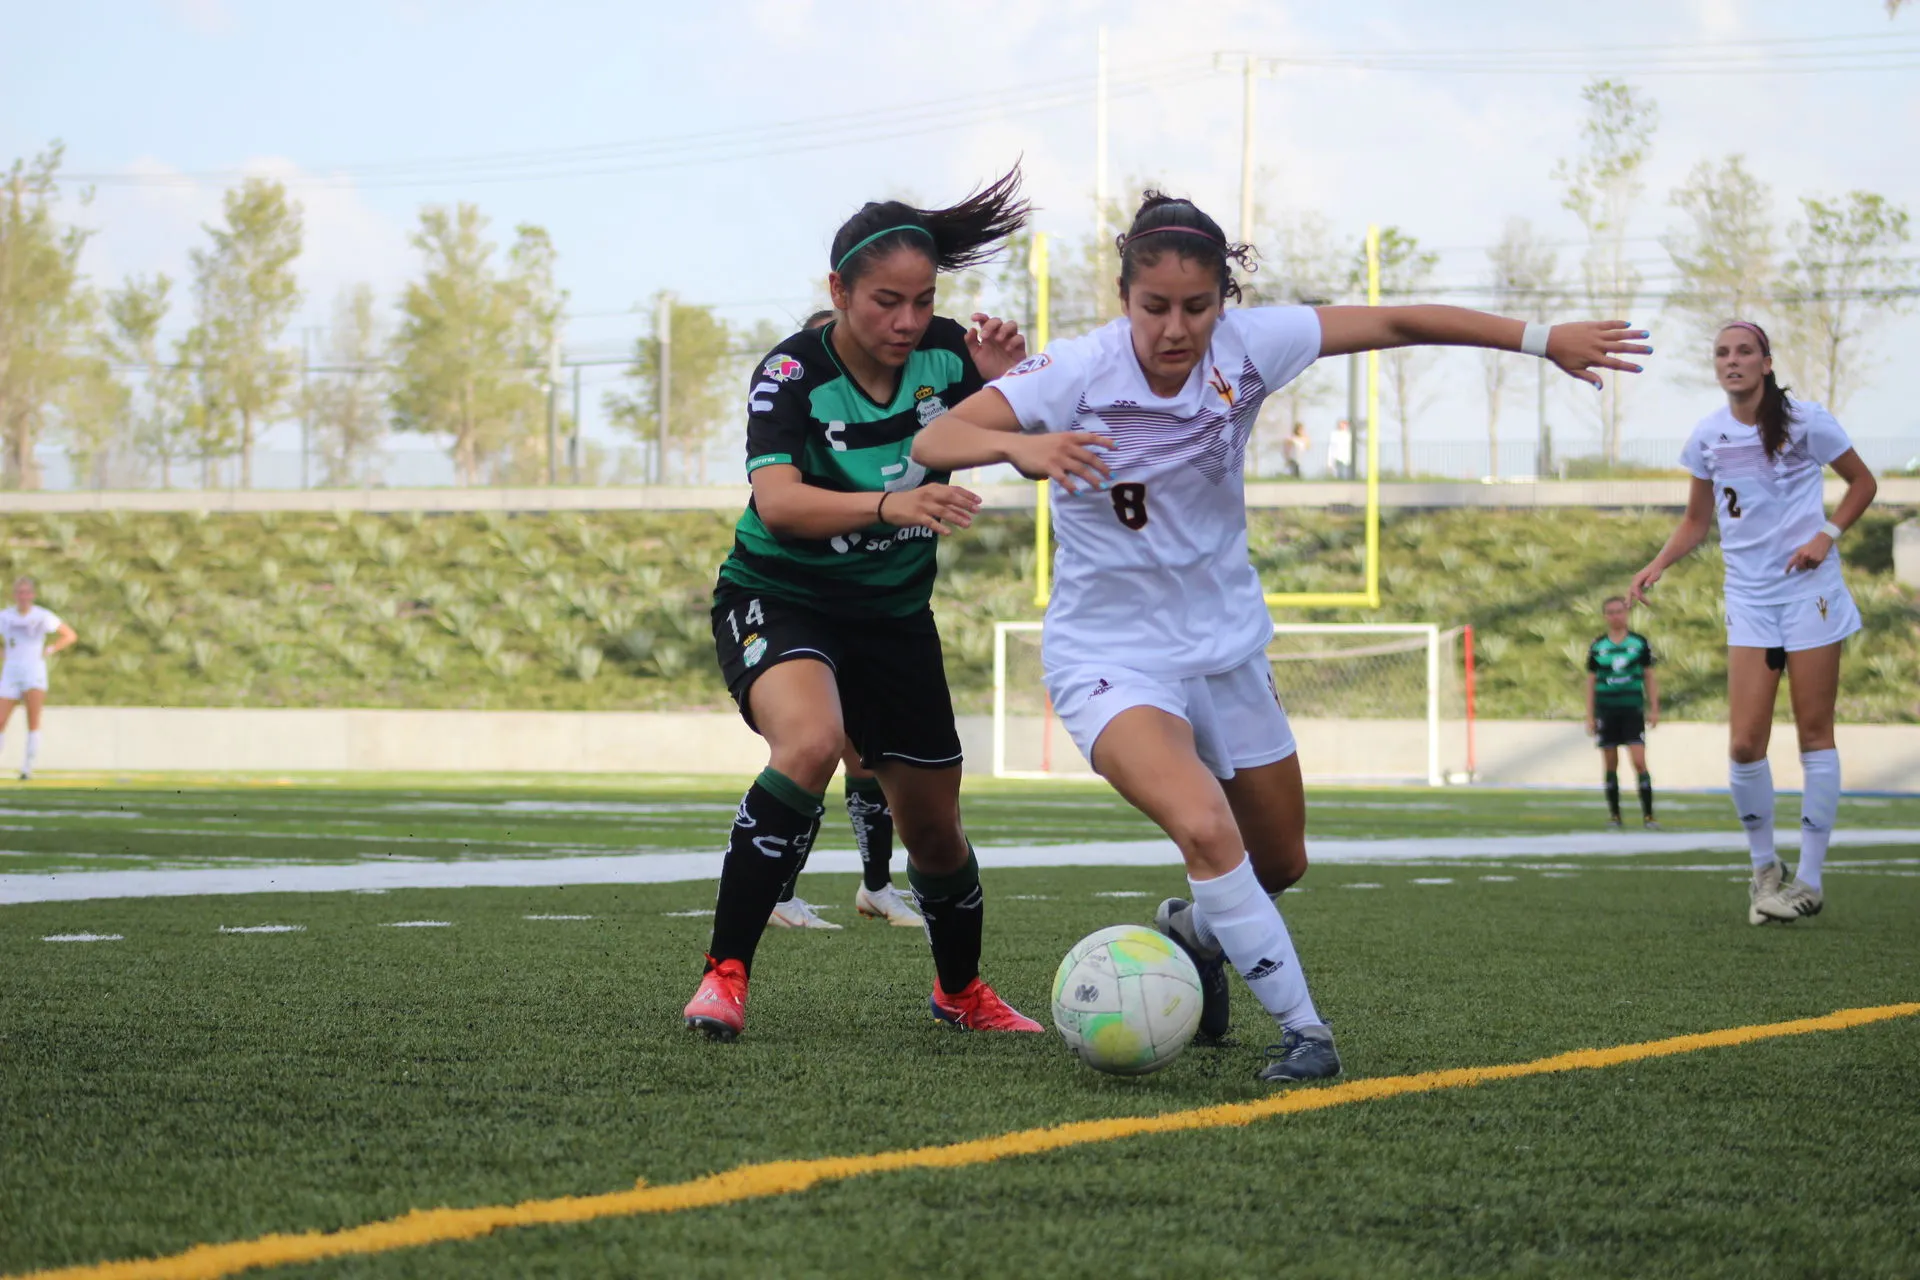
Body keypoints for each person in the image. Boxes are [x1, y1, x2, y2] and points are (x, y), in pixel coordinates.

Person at [913, 191, 1647, 1082]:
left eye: (1196, 306)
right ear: (1122, 297)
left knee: (1280, 861)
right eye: (1154, 308)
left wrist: (1540, 339)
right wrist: (1022, 448)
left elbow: (1397, 319)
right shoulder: (1076, 370)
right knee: (1205, 827)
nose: (1175, 328)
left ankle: (1190, 932)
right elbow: (939, 436)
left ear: (1224, 301)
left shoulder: (1253, 347)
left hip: (1226, 650)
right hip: (1110, 657)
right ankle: (1306, 1033)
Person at [684, 168, 1042, 1041]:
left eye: (923, 301)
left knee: (936, 833)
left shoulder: (952, 354)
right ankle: (723, 975)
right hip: (781, 595)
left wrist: (1015, 384)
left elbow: (1031, 456)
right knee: (807, 744)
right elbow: (779, 503)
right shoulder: (790, 374)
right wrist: (892, 504)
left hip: (892, 619)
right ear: (838, 291)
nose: (907, 321)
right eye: (887, 301)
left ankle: (961, 992)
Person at [1630, 320, 1877, 926]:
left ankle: (1810, 882)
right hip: (1749, 600)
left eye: (1744, 351)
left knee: (1814, 734)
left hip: (1810, 595)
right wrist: (1657, 563)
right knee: (1744, 744)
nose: (1732, 360)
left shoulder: (1806, 422)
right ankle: (1765, 871)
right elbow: (1696, 522)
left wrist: (1828, 535)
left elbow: (1863, 483)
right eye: (1722, 352)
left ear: (1767, 363)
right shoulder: (1707, 436)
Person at [765, 308, 922, 931]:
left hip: (869, 611)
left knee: (867, 757)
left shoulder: (895, 412)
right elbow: (782, 506)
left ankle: (877, 886)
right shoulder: (800, 420)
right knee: (814, 749)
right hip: (807, 607)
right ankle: (778, 891)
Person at [1584, 595, 1660, 830]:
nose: (1616, 616)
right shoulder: (1598, 646)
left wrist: (1654, 707)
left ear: (1626, 613)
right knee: (1610, 764)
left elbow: (1649, 675)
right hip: (1606, 711)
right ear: (1605, 616)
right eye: (1611, 612)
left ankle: (1648, 816)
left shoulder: (1639, 643)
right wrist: (1589, 714)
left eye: (1619, 611)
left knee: (1639, 762)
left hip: (1632, 710)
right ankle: (1615, 816)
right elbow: (1591, 680)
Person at [0, 577, 78, 781]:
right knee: (0, 720)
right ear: (14, 595)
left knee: (33, 720)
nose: (23, 596)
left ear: (32, 595)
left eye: (27, 592)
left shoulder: (42, 616)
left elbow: (69, 635)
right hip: (11, 671)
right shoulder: (5, 616)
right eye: (19, 592)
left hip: (33, 671)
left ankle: (27, 767)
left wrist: (51, 649)